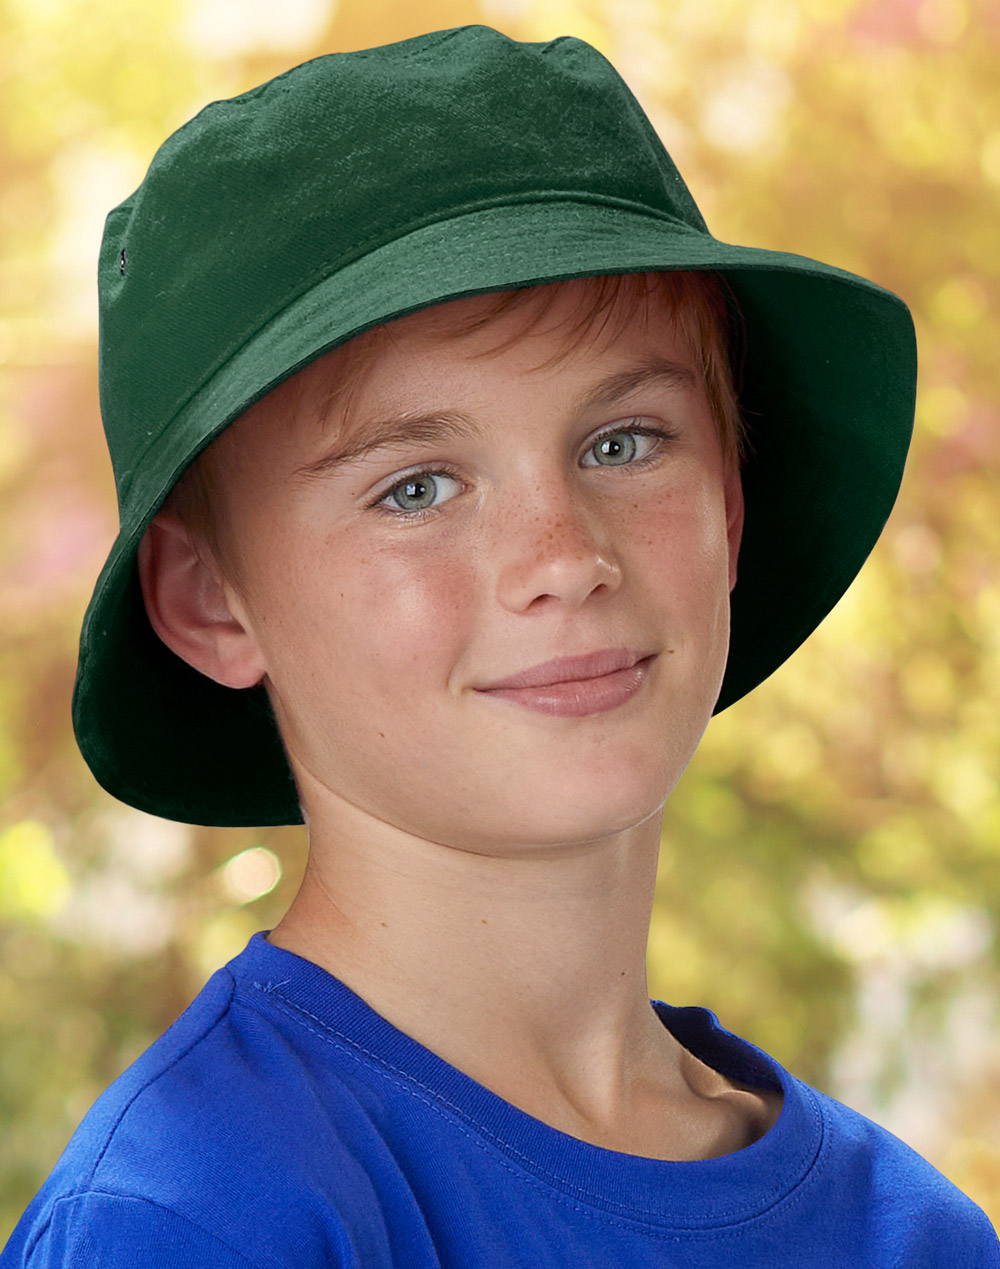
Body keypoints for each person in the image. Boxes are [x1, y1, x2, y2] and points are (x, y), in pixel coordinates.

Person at [2, 23, 996, 1268]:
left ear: (730, 505)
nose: (562, 557)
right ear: (213, 602)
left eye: (623, 443)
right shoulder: (201, 1219)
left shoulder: (910, 1236)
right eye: (415, 488)